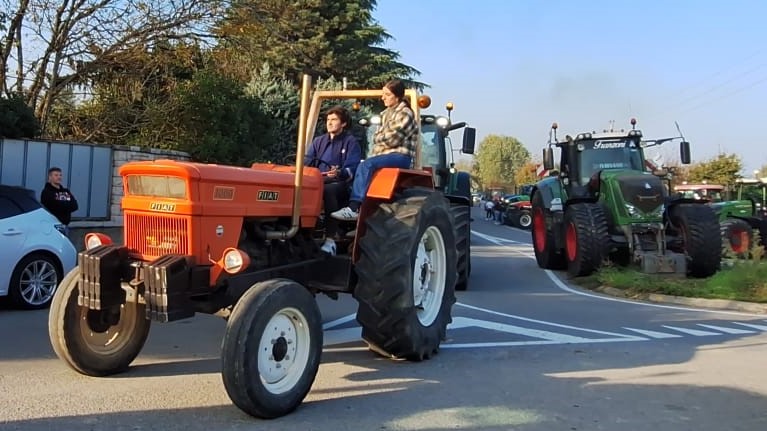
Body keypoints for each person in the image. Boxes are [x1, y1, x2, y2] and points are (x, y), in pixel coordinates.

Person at [331, 79, 418, 221]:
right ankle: (359, 213)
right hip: (384, 154)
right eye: (383, 94)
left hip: (400, 156)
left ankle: (354, 208)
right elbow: (377, 138)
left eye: (387, 94)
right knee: (359, 167)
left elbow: (392, 140)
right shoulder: (385, 114)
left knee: (366, 165)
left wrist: (378, 137)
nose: (382, 97)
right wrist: (379, 137)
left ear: (397, 96)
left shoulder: (405, 114)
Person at [305, 106, 362, 255]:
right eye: (328, 120)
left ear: (343, 124)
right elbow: (308, 161)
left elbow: (352, 168)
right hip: (318, 179)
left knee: (329, 191)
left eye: (334, 119)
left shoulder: (350, 142)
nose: (329, 123)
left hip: (341, 183)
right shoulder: (319, 141)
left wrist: (339, 172)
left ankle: (330, 240)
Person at [40, 167, 79, 237]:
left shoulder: (66, 191)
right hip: (52, 227)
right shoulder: (46, 192)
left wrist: (62, 205)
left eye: (60, 175)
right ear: (50, 177)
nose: (59, 177)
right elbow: (54, 207)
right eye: (56, 175)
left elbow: (75, 206)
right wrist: (67, 205)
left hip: (65, 226)